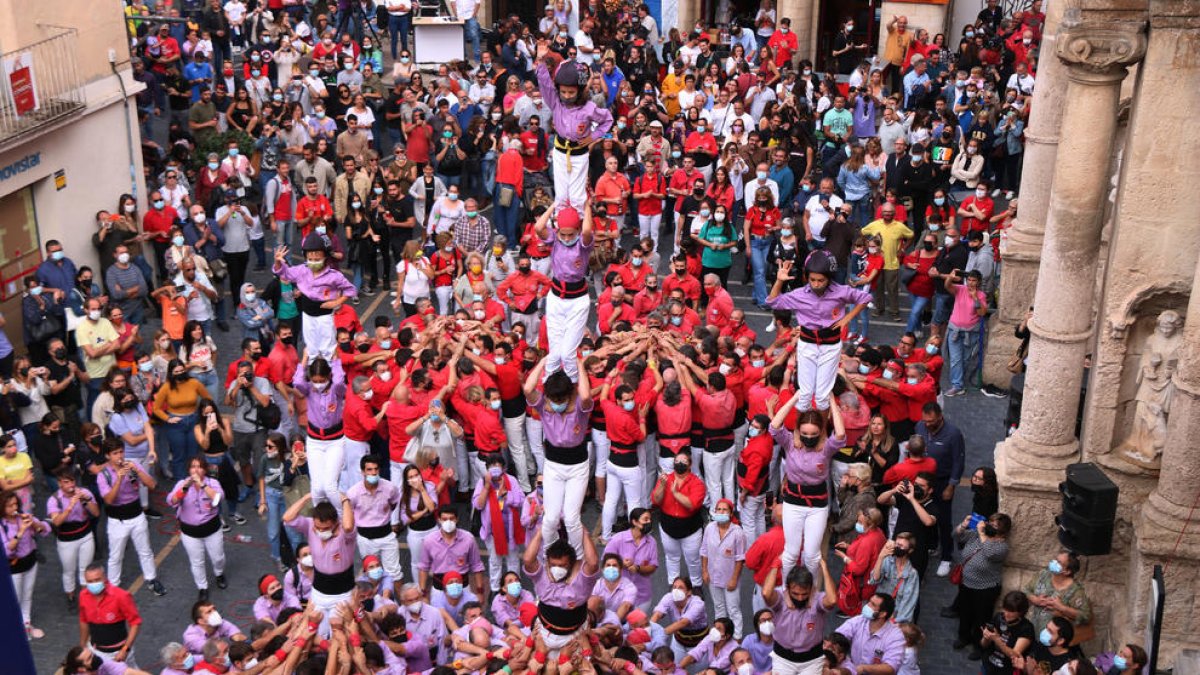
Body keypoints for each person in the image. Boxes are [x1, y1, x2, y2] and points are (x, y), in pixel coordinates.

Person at [767, 252, 871, 413]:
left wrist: (847, 318)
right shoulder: (799, 294)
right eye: (812, 279)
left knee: (822, 397)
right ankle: (801, 431)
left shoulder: (841, 291)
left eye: (821, 280)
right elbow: (773, 301)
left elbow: (865, 298)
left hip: (831, 345)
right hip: (807, 343)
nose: (816, 284)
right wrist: (779, 280)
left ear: (829, 278)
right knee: (805, 395)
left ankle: (821, 430)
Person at [770, 391, 846, 577]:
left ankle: (809, 590)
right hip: (793, 502)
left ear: (820, 432)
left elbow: (841, 434)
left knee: (812, 555)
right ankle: (789, 587)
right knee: (790, 553)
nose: (808, 437)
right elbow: (774, 426)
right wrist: (797, 397)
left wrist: (831, 402)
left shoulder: (826, 448)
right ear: (798, 431)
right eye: (804, 433)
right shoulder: (790, 443)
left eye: (813, 433)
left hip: (817, 506)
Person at [535, 44, 614, 209]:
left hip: (579, 154)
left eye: (571, 92)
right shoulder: (555, 102)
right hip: (560, 152)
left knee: (577, 197)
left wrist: (592, 137)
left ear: (579, 90)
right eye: (563, 92)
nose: (566, 96)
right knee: (561, 196)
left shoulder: (589, 108)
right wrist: (541, 60)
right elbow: (545, 85)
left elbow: (607, 120)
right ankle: (562, 230)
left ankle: (578, 227)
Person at [97, 437, 165, 595]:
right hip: (117, 520)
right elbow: (108, 500)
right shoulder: (103, 475)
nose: (120, 456)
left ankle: (151, 579)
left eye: (121, 452)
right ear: (108, 456)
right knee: (115, 555)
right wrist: (119, 479)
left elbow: (152, 485)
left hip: (137, 515)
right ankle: (113, 587)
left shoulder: (131, 466)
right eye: (115, 453)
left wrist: (137, 471)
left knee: (145, 550)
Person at [272, 235, 357, 360]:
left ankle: (331, 373)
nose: (313, 261)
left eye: (317, 258)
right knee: (311, 349)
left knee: (328, 349)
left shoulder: (334, 276)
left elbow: (351, 290)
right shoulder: (301, 270)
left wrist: (336, 303)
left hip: (325, 315)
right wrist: (278, 261)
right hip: (307, 315)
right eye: (310, 258)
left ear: (325, 256)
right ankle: (314, 373)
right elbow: (284, 273)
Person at [283, 494, 357, 635]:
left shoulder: (345, 533)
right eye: (318, 528)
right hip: (318, 593)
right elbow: (288, 517)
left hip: (342, 594)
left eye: (326, 528)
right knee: (316, 634)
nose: (321, 531)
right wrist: (306, 497)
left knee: (340, 635)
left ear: (335, 523)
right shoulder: (310, 526)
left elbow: (348, 526)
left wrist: (345, 500)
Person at [760, 559, 838, 674]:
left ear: (811, 590)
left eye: (804, 594)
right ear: (788, 588)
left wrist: (825, 569)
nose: (800, 598)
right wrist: (775, 565)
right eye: (795, 594)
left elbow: (832, 600)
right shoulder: (781, 598)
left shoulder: (817, 599)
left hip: (812, 660)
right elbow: (766, 593)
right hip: (783, 659)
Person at [167, 456, 227, 600]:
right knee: (197, 561)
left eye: (199, 466)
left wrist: (203, 486)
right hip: (190, 532)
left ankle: (219, 573)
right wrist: (183, 489)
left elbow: (219, 498)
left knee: (218, 557)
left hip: (211, 529)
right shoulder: (183, 483)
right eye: (193, 466)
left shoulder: (212, 482)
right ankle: (202, 587)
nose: (196, 470)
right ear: (189, 470)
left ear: (204, 470)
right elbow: (171, 501)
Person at [346, 454, 405, 595]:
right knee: (371, 574)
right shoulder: (353, 493)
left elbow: (394, 502)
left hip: (387, 536)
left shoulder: (390, 487)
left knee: (395, 572)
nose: (373, 473)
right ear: (363, 472)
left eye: (375, 469)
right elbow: (349, 513)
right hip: (366, 539)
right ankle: (374, 603)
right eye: (369, 470)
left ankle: (402, 605)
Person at [472, 453, 526, 593]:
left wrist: (505, 494)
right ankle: (495, 589)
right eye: (491, 465)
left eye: (497, 465)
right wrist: (487, 486)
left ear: (503, 467)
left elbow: (520, 500)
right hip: (492, 532)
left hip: (510, 530)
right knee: (495, 562)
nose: (495, 468)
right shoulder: (482, 482)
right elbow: (478, 505)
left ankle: (514, 588)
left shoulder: (511, 480)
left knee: (513, 561)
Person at [47, 467, 100, 609]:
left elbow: (96, 513)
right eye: (66, 482)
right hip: (67, 539)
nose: (71, 485)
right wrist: (69, 507)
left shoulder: (84, 492)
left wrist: (86, 500)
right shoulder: (54, 500)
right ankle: (70, 596)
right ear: (60, 484)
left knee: (85, 568)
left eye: (72, 481)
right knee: (69, 570)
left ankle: (85, 598)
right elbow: (57, 521)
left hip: (85, 534)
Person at [1, 487, 50, 638]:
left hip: (30, 561)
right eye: (10, 506)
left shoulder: (23, 517)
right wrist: (21, 532)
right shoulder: (2, 525)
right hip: (14, 566)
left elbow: (46, 530)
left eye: (16, 504)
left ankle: (26, 623)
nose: (14, 508)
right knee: (15, 598)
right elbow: (7, 550)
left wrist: (34, 524)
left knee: (27, 594)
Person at [78, 562, 144, 666]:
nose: (94, 584)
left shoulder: (121, 596)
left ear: (105, 578)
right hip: (95, 650)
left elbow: (135, 623)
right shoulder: (83, 596)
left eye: (97, 580)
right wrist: (82, 646)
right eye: (89, 581)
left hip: (118, 652)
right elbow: (84, 621)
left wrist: (125, 650)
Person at [700, 498, 747, 639]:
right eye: (718, 509)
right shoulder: (709, 528)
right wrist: (704, 571)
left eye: (724, 509)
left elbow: (740, 558)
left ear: (731, 513)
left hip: (730, 579)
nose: (721, 512)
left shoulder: (738, 532)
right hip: (713, 577)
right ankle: (720, 635)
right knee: (719, 608)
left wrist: (734, 579)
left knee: (733, 610)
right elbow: (704, 551)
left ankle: (737, 638)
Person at [943, 268, 989, 395]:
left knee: (965, 359)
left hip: (971, 333)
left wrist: (975, 298)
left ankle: (958, 379)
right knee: (955, 359)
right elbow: (947, 286)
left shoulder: (981, 295)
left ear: (978, 282)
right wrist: (950, 277)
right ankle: (957, 385)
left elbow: (982, 313)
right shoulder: (960, 289)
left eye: (973, 280)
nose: (970, 283)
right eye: (969, 279)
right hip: (955, 330)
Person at [836, 592, 905, 672]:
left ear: (882, 614)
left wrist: (864, 668)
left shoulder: (896, 636)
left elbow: (890, 667)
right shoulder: (859, 620)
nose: (867, 606)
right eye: (869, 601)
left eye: (872, 604)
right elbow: (838, 637)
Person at [980, 590, 1035, 675]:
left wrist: (997, 640)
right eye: (1005, 609)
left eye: (1011, 611)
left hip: (1006, 671)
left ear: (1020, 612)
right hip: (988, 665)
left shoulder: (1026, 628)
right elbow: (983, 645)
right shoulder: (999, 617)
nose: (1006, 614)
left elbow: (1015, 655)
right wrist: (986, 637)